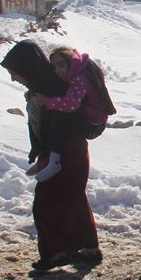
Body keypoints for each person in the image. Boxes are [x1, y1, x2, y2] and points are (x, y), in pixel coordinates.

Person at [1, 40, 102, 271]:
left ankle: (57, 252)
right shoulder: (42, 87)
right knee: (72, 197)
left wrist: (51, 156)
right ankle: (89, 248)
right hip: (67, 150)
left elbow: (57, 124)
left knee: (45, 201)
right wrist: (39, 152)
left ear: (25, 67)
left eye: (14, 72)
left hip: (66, 151)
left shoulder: (48, 90)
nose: (13, 78)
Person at [30, 46, 116, 183]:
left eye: (61, 65)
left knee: (59, 116)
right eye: (54, 67)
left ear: (71, 62)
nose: (58, 71)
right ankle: (45, 157)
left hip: (92, 124)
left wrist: (46, 101)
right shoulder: (81, 70)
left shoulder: (80, 79)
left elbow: (71, 104)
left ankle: (54, 161)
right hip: (92, 120)